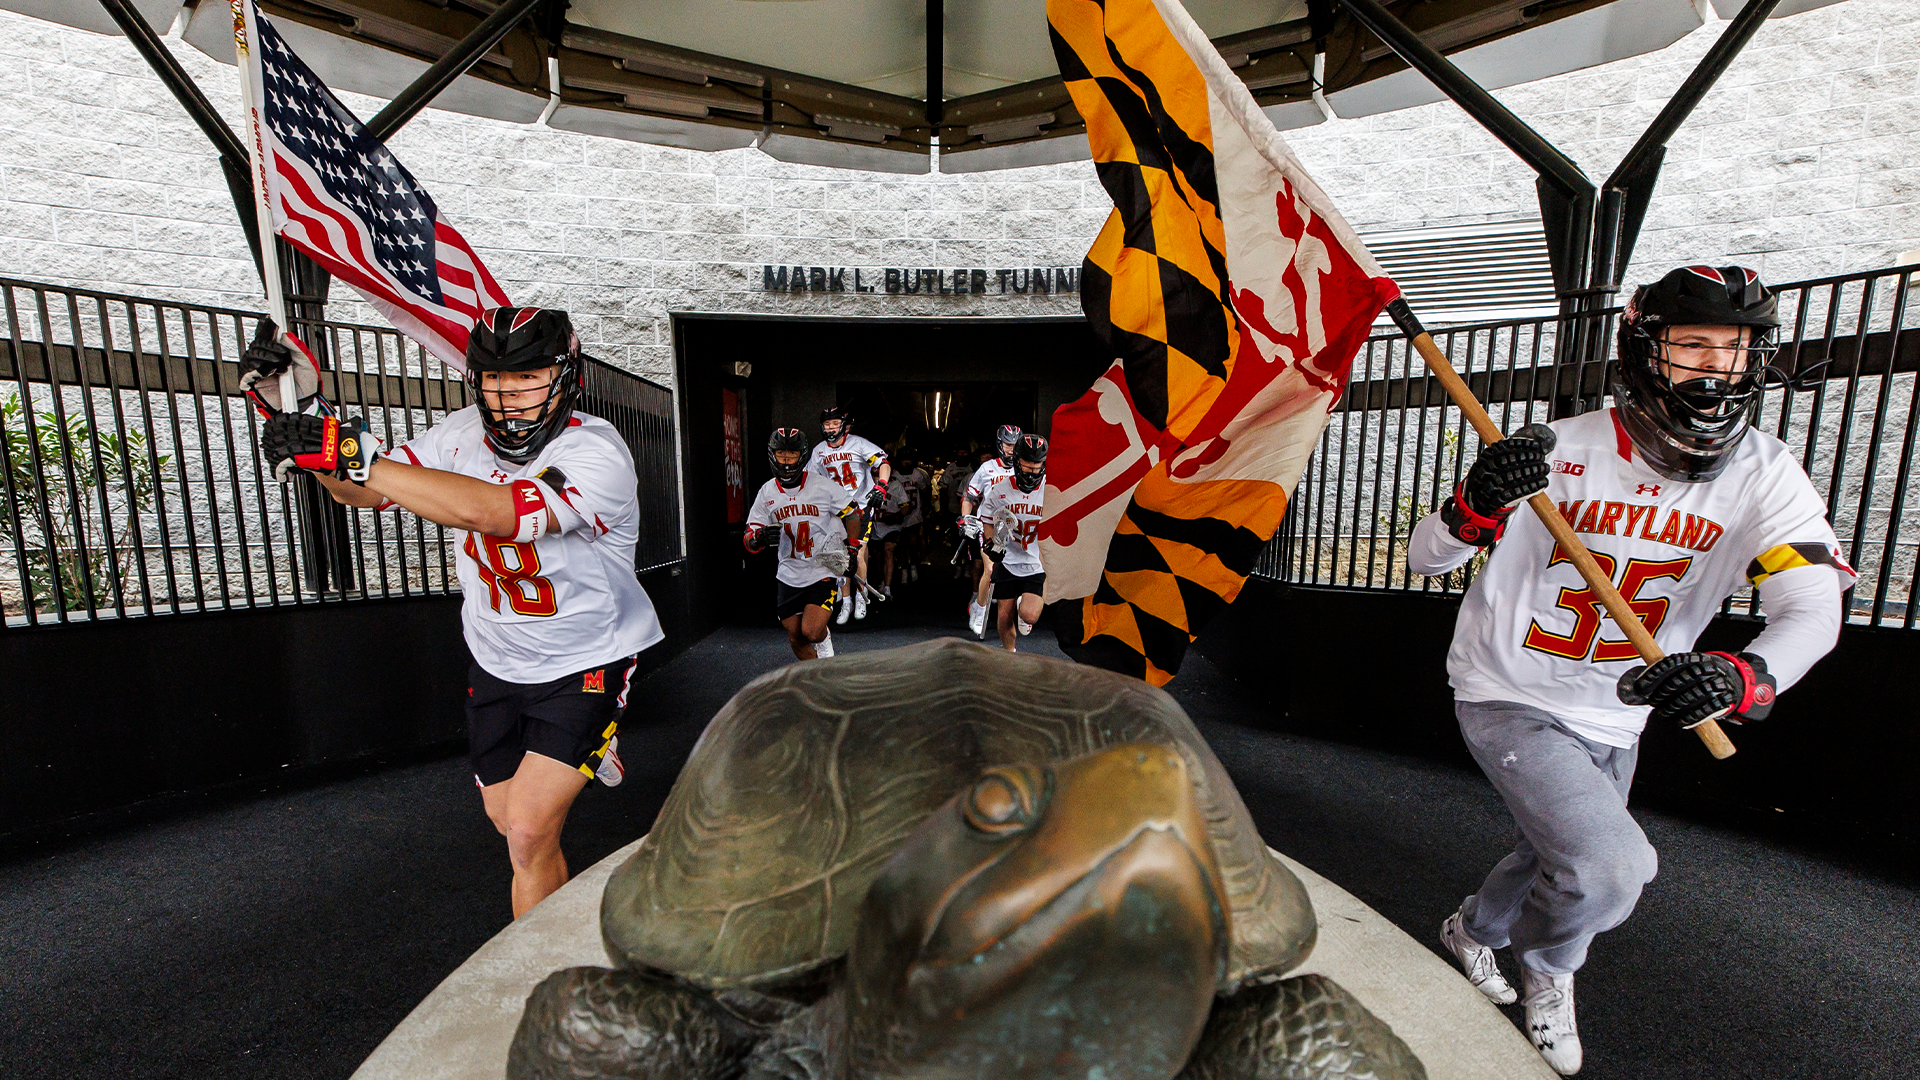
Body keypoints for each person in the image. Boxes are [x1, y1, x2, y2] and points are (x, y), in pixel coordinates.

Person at [1408, 266, 1852, 1076]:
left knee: (1558, 853)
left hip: (1618, 709)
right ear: (1647, 351)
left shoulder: (1767, 472)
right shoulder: (1560, 448)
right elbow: (1424, 557)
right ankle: (1549, 973)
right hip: (1512, 689)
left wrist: (1744, 676)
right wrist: (1475, 502)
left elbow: (1812, 608)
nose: (1716, 367)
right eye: (1693, 345)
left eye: (1735, 348)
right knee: (1611, 868)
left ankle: (1470, 930)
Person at [249, 307, 666, 919]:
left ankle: (539, 979)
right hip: (496, 657)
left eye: (528, 377)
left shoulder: (597, 449)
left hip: (585, 659)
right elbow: (367, 492)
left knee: (526, 832)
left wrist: (349, 452)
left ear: (565, 376)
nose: (509, 394)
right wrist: (314, 439)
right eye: (495, 378)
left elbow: (497, 514)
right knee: (506, 821)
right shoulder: (459, 433)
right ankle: (584, 753)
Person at [746, 427, 863, 661]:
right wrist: (759, 538)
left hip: (821, 569)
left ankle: (826, 651)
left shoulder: (822, 485)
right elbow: (750, 534)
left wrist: (851, 548)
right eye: (782, 454)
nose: (787, 461)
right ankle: (815, 679)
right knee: (795, 637)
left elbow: (853, 513)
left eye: (792, 455)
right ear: (772, 455)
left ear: (802, 456)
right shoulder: (767, 491)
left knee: (811, 630)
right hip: (789, 572)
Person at [809, 405, 889, 624]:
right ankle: (846, 601)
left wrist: (881, 485)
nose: (831, 428)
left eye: (835, 423)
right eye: (827, 424)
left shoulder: (858, 443)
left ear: (843, 425)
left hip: (860, 505)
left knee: (859, 551)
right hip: (835, 509)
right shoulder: (819, 451)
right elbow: (810, 480)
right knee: (839, 555)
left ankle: (861, 596)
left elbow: (883, 463)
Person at [977, 434, 1048, 653]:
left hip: (1037, 560)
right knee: (1004, 615)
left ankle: (1023, 606)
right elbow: (987, 519)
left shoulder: (1051, 489)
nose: (1033, 472)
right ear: (1017, 462)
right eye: (1028, 466)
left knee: (1030, 615)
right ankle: (1010, 655)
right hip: (1008, 558)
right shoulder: (1000, 490)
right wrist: (991, 543)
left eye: (1037, 467)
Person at [959, 425, 1021, 637]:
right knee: (991, 569)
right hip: (988, 524)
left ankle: (1018, 613)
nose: (1011, 449)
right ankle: (980, 607)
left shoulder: (1023, 468)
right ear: (1000, 445)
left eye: (1015, 445)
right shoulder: (986, 469)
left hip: (1014, 526)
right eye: (1007, 445)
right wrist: (967, 519)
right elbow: (969, 498)